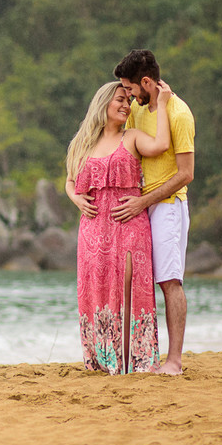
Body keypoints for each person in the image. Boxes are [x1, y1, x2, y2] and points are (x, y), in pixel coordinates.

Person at [65, 79, 172, 374]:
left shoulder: (132, 137)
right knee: (96, 293)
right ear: (103, 104)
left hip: (129, 225)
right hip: (92, 229)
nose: (126, 105)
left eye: (128, 100)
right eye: (120, 100)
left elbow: (161, 145)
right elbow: (70, 181)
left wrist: (162, 105)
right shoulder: (83, 142)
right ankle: (103, 361)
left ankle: (132, 364)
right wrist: (76, 199)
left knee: (129, 292)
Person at [111, 49, 195, 375]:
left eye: (131, 88)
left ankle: (174, 361)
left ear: (146, 82)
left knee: (169, 281)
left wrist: (143, 203)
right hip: (140, 205)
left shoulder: (179, 114)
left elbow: (185, 174)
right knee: (136, 280)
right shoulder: (137, 108)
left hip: (168, 206)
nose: (128, 95)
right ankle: (136, 355)